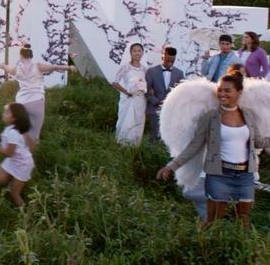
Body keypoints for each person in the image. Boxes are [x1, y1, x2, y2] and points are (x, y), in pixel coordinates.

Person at [156, 70, 270, 230]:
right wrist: (172, 166)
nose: (222, 94)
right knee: (213, 220)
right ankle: (204, 249)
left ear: (239, 92)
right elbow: (195, 145)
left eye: (227, 90)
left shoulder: (249, 116)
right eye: (220, 90)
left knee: (244, 220)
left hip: (245, 175)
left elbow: (258, 142)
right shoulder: (210, 117)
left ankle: (242, 250)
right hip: (218, 175)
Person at [0, 44, 76, 143]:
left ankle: (15, 145)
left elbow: (3, 65)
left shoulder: (16, 69)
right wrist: (69, 67)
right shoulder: (38, 66)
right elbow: (54, 67)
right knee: (35, 133)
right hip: (37, 102)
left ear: (21, 56)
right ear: (31, 56)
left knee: (21, 130)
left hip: (22, 103)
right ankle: (32, 150)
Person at [0, 103, 34, 207]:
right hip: (15, 160)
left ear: (15, 118)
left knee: (14, 194)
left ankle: (27, 215)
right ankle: (15, 181)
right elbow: (31, 143)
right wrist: (27, 153)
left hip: (22, 165)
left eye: (6, 112)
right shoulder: (15, 127)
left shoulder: (13, 132)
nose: (3, 114)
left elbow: (9, 153)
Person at [145, 46, 184, 141]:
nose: (170, 63)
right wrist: (157, 102)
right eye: (168, 60)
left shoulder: (179, 73)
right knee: (153, 136)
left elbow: (181, 92)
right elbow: (146, 90)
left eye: (172, 61)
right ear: (163, 56)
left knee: (167, 137)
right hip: (154, 109)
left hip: (170, 110)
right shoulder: (151, 71)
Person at [112, 43, 147, 145]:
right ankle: (123, 144)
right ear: (130, 53)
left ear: (142, 52)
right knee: (127, 122)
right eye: (134, 51)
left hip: (141, 100)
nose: (137, 53)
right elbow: (115, 82)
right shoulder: (126, 67)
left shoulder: (144, 69)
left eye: (139, 50)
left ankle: (135, 146)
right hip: (129, 100)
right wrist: (126, 92)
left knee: (139, 121)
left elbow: (146, 84)